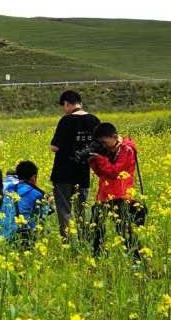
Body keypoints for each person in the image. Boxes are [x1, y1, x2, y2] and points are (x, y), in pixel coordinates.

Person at [86, 123, 143, 258]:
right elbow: (103, 174)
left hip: (122, 195)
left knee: (124, 230)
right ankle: (98, 256)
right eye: (100, 143)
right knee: (96, 226)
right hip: (105, 195)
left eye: (104, 142)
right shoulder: (109, 150)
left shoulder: (127, 150)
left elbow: (115, 172)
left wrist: (100, 158)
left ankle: (137, 260)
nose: (103, 146)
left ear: (114, 136)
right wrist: (92, 161)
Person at [49, 90, 100, 242]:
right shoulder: (94, 120)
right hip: (83, 171)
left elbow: (54, 147)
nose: (64, 109)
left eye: (63, 106)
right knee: (81, 208)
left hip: (63, 172)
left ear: (67, 104)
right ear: (80, 103)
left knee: (64, 209)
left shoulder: (66, 120)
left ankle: (67, 241)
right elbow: (99, 145)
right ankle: (84, 239)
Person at [0, 161, 50, 249]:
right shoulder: (36, 193)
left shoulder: (7, 189)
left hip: (0, 236)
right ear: (33, 177)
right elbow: (44, 214)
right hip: (18, 237)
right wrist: (48, 203)